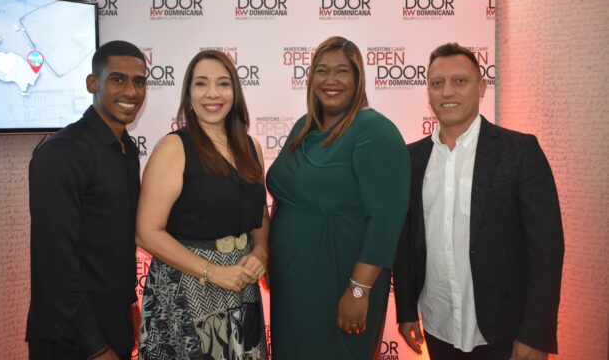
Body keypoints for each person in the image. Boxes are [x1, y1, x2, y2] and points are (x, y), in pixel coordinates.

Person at [393, 43, 564, 360]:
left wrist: (536, 334)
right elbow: (406, 243)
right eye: (437, 83)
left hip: (506, 332)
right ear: (428, 92)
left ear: (481, 87)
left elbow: (547, 250)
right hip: (438, 325)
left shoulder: (520, 152)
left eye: (460, 81)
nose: (447, 91)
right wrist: (405, 310)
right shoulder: (410, 158)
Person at [266, 36, 411, 359]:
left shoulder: (374, 130)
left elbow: (386, 218)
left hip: (340, 285)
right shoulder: (304, 127)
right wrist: (270, 257)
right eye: (322, 70)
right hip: (292, 287)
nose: (330, 80)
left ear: (358, 79)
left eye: (342, 71)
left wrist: (358, 291)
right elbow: (286, 196)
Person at [136, 50, 269, 359]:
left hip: (242, 285)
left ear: (235, 93)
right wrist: (212, 272)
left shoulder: (251, 147)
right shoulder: (173, 147)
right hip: (189, 287)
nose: (212, 93)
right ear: (188, 94)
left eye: (223, 83)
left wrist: (260, 252)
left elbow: (259, 212)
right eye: (201, 83)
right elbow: (146, 233)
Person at [26, 40, 148, 360]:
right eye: (117, 79)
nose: (131, 91)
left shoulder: (127, 150)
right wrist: (95, 346)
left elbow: (113, 243)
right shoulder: (61, 153)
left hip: (112, 323)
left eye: (139, 82)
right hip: (68, 337)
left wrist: (128, 307)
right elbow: (56, 263)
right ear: (93, 83)